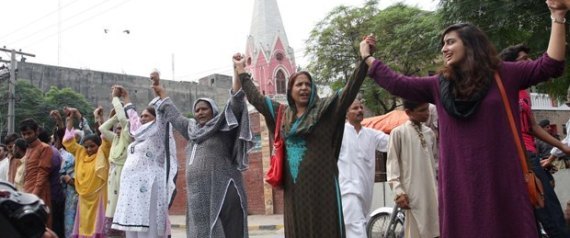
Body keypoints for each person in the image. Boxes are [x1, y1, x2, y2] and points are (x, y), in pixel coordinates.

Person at [359, 1, 567, 236]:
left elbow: (550, 65)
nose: (444, 49)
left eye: (450, 42)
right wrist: (368, 58)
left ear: (470, 44)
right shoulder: (438, 85)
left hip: (502, 179)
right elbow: (398, 83)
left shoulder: (504, 74)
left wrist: (557, 15)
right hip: (460, 185)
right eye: (442, 44)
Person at [234, 49, 368, 237]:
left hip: (323, 187)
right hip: (294, 190)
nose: (304, 88)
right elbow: (256, 99)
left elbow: (349, 89)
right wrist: (242, 73)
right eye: (299, 84)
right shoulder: (281, 114)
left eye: (308, 84)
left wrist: (364, 60)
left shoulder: (326, 110)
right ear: (290, 90)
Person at [152, 67, 253, 238]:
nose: (200, 112)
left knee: (229, 231)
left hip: (223, 189)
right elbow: (175, 115)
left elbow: (235, 104)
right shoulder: (191, 131)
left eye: (204, 108)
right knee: (201, 231)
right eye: (197, 110)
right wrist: (160, 90)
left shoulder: (222, 127)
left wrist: (237, 72)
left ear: (213, 110)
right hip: (197, 195)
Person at [500, 44, 570, 237]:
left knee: (538, 211)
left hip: (531, 155)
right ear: (511, 66)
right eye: (524, 59)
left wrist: (561, 145)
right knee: (549, 212)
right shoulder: (503, 90)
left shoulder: (524, 92)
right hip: (519, 157)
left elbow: (533, 127)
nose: (530, 62)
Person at [112, 78, 177, 238]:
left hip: (149, 186)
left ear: (156, 119)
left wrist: (161, 95)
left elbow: (163, 116)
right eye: (141, 116)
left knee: (148, 228)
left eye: (146, 116)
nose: (141, 119)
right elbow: (132, 118)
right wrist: (124, 98)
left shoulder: (158, 134)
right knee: (132, 230)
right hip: (131, 189)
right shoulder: (138, 136)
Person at [387, 100, 439, 238]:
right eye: (422, 110)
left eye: (427, 109)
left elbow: (435, 163)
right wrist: (399, 192)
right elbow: (392, 165)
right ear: (409, 113)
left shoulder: (430, 134)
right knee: (416, 231)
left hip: (432, 192)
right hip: (411, 195)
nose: (427, 113)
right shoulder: (398, 133)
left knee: (436, 230)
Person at [338, 98, 389, 238]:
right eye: (355, 108)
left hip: (366, 192)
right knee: (356, 230)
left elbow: (394, 143)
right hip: (348, 191)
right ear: (346, 113)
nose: (360, 110)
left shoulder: (371, 134)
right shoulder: (339, 134)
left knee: (358, 227)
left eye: (361, 107)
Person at [63, 107, 111, 237]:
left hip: (98, 197)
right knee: (83, 228)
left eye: (92, 146)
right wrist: (69, 119)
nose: (89, 149)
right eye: (86, 146)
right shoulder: (80, 153)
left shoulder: (103, 152)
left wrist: (100, 119)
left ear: (98, 145)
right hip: (83, 198)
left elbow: (106, 137)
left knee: (98, 229)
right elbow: (68, 142)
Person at [99, 85, 132, 237]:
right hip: (113, 176)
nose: (118, 130)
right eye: (117, 129)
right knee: (111, 207)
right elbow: (103, 129)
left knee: (121, 209)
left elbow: (124, 121)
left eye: (120, 128)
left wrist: (115, 99)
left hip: (123, 175)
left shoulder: (127, 138)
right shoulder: (115, 139)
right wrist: (114, 118)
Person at [50, 109, 79, 238]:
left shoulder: (71, 155)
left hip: (70, 195)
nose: (55, 141)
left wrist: (62, 121)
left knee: (68, 223)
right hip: (56, 194)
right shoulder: (52, 153)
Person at [20, 119, 53, 228]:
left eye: (29, 133)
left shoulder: (45, 148)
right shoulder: (28, 148)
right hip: (27, 190)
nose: (26, 137)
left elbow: (42, 173)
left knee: (41, 226)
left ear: (36, 132)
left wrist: (34, 195)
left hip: (39, 192)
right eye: (24, 134)